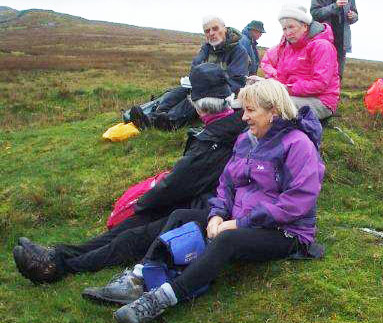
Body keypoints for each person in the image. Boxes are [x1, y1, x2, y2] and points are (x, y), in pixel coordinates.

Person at [81, 79, 325, 323]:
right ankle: (140, 277)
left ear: (273, 111)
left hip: (285, 232)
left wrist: (237, 224)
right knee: (180, 216)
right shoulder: (246, 140)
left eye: (251, 110)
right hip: (239, 219)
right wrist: (217, 214)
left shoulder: (298, 145)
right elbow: (227, 184)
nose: (244, 117)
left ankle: (161, 299)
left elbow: (296, 203)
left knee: (228, 240)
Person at [13, 64, 246, 285]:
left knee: (133, 234)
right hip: (200, 201)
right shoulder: (231, 126)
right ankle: (58, 254)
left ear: (198, 104)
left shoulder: (214, 140)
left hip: (207, 209)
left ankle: (59, 268)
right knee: (129, 227)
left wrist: (143, 203)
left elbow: (175, 186)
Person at [129, 16, 249, 131]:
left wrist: (208, 85)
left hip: (223, 93)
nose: (211, 33)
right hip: (201, 87)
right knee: (178, 91)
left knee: (195, 98)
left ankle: (170, 121)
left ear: (225, 29)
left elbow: (236, 81)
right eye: (207, 31)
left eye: (215, 28)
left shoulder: (239, 51)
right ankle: (155, 115)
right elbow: (194, 68)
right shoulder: (206, 48)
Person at [260, 4, 340, 120]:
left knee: (272, 108)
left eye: (291, 27)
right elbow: (282, 76)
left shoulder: (322, 46)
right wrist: (269, 85)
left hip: (321, 100)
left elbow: (320, 84)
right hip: (293, 95)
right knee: (258, 98)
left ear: (304, 26)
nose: (287, 33)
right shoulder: (288, 48)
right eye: (284, 28)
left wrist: (288, 89)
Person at [310, 0, 358, 79]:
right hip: (323, 40)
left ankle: (334, 97)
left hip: (342, 42)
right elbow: (315, 14)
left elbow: (355, 14)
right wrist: (334, 6)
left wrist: (353, 16)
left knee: (337, 75)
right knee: (321, 73)